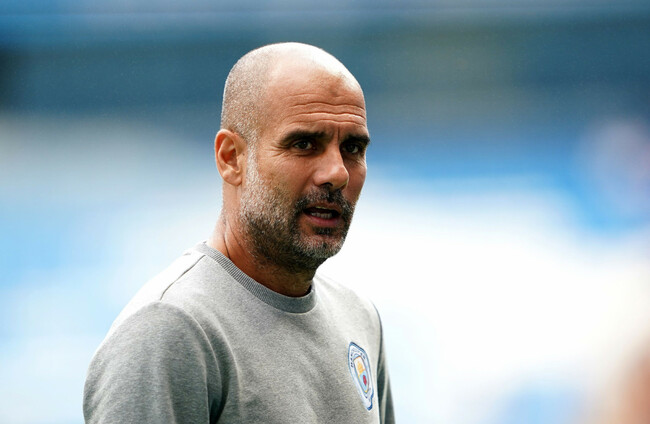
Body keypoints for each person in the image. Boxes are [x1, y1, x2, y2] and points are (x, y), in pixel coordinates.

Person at [83, 42, 394, 423]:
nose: (338, 173)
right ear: (231, 158)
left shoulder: (359, 318)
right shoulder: (171, 332)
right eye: (304, 144)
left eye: (353, 148)